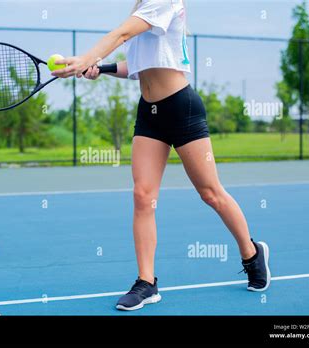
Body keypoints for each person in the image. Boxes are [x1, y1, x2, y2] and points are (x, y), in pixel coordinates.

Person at [52, 0, 271, 311]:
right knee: (143, 196)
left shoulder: (164, 2)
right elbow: (138, 69)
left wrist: (85, 58)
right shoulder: (141, 11)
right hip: (150, 114)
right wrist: (99, 67)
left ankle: (251, 253)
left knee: (211, 193)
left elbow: (121, 34)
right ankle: (146, 282)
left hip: (182, 109)